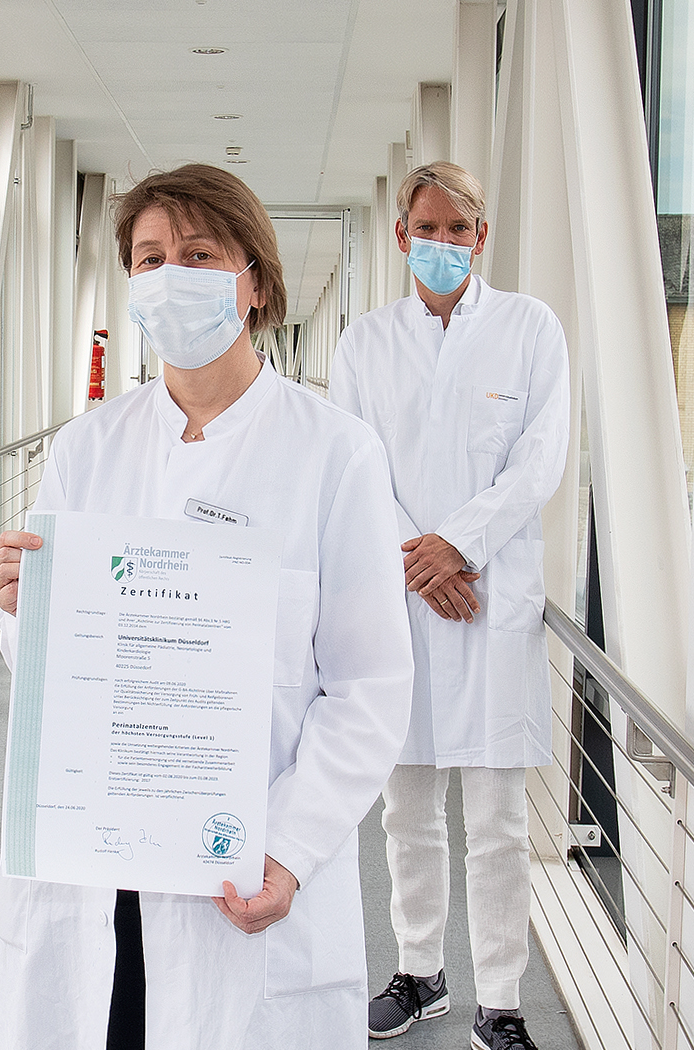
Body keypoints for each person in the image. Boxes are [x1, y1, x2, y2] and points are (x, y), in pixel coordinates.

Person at [0, 163, 414, 1050]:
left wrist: (287, 847)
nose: (169, 275)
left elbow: (368, 689)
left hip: (239, 870)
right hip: (92, 866)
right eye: (148, 258)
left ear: (255, 283)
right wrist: (26, 610)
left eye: (199, 253)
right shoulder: (87, 449)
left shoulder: (335, 455)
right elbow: (53, 674)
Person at [329, 162, 569, 1050]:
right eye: (424, 229)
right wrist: (422, 559)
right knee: (407, 809)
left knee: (498, 823)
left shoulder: (529, 328)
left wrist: (456, 545)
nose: (440, 243)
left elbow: (539, 459)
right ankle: (418, 971)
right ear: (400, 235)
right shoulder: (364, 342)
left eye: (456, 230)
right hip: (403, 600)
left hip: (489, 599)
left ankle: (500, 1001)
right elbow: (354, 468)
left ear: (480, 237)